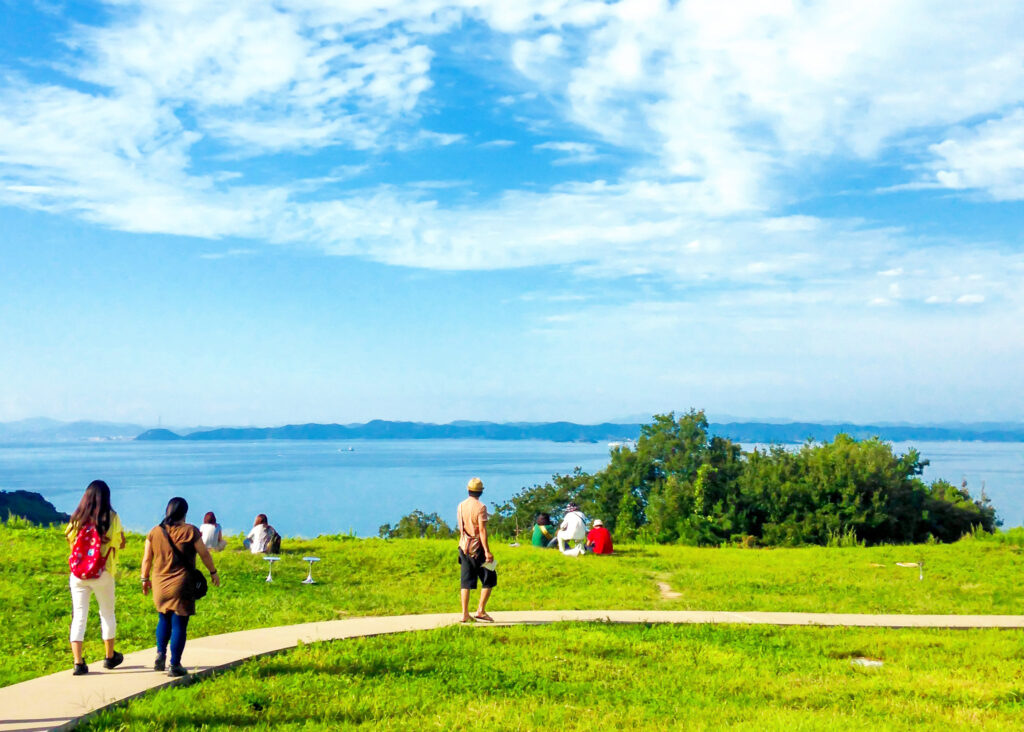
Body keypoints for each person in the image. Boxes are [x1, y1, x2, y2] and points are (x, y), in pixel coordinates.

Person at [141, 497, 220, 677]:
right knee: (179, 624)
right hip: (181, 583)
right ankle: (174, 664)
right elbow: (204, 554)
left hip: (160, 584)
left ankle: (160, 654)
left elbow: (147, 558)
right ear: (184, 513)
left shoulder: (155, 531)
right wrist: (213, 572)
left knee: (163, 618)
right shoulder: (190, 531)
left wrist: (144, 579)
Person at [65, 479, 126, 675]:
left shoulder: (77, 517)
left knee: (79, 616)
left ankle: (78, 662)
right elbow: (120, 542)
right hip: (103, 573)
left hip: (78, 574)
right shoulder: (112, 517)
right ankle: (109, 657)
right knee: (107, 613)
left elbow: (70, 539)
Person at [456, 477, 496, 623]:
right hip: (477, 547)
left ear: (468, 490)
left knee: (465, 581)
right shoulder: (481, 507)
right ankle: (481, 610)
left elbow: (461, 527)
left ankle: (464, 613)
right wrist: (487, 551)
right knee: (490, 577)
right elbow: (482, 531)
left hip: (463, 546)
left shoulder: (461, 505)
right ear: (480, 492)